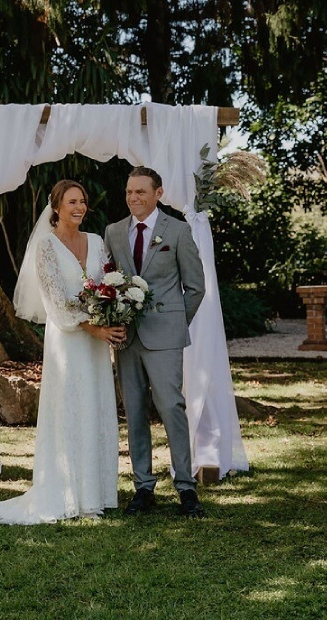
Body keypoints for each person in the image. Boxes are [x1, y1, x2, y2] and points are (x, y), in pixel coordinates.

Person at [0, 180, 125, 525]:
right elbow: (57, 302)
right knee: (70, 408)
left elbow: (109, 286)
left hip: (96, 344)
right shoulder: (45, 247)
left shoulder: (98, 242)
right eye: (72, 201)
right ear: (56, 207)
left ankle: (97, 493)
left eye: (83, 201)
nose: (80, 207)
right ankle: (68, 492)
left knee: (96, 406)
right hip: (69, 341)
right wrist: (94, 326)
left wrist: (113, 316)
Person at [104, 166, 205, 517]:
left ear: (158, 194)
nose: (133, 198)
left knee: (171, 408)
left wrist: (174, 323)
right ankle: (143, 487)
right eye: (129, 192)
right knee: (134, 412)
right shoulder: (114, 232)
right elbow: (109, 283)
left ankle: (186, 488)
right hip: (127, 337)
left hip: (165, 337)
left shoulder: (177, 231)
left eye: (141, 192)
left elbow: (196, 286)